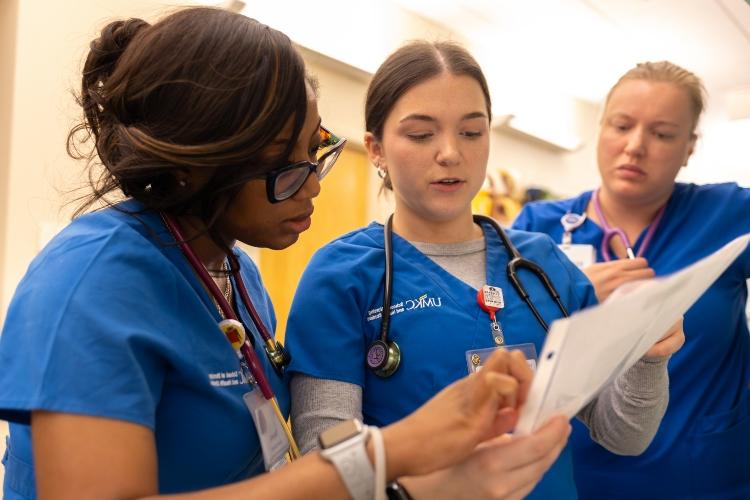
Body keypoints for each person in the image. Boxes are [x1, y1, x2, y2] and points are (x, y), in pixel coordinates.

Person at [0, 8, 573, 500]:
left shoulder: (235, 275)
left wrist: (424, 486)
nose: (312, 186)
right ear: (202, 162)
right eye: (284, 165)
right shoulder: (93, 281)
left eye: (315, 150)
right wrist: (391, 452)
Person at [284, 41, 685, 500]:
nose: (451, 153)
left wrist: (648, 355)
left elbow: (624, 435)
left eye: (472, 133)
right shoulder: (342, 276)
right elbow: (329, 460)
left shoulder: (545, 265)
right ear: (375, 149)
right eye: (421, 135)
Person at [512, 61, 750, 499]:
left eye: (662, 134)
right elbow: (503, 344)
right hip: (575, 475)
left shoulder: (731, 214)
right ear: (601, 128)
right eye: (622, 126)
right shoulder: (535, 228)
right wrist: (572, 296)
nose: (635, 146)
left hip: (703, 476)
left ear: (689, 147)